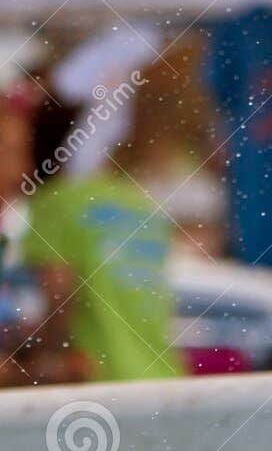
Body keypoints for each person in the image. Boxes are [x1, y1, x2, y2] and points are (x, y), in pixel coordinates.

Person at [19, 94, 180, 383]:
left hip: (99, 380)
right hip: (162, 374)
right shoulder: (140, 204)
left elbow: (59, 289)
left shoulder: (56, 201)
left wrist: (46, 355)